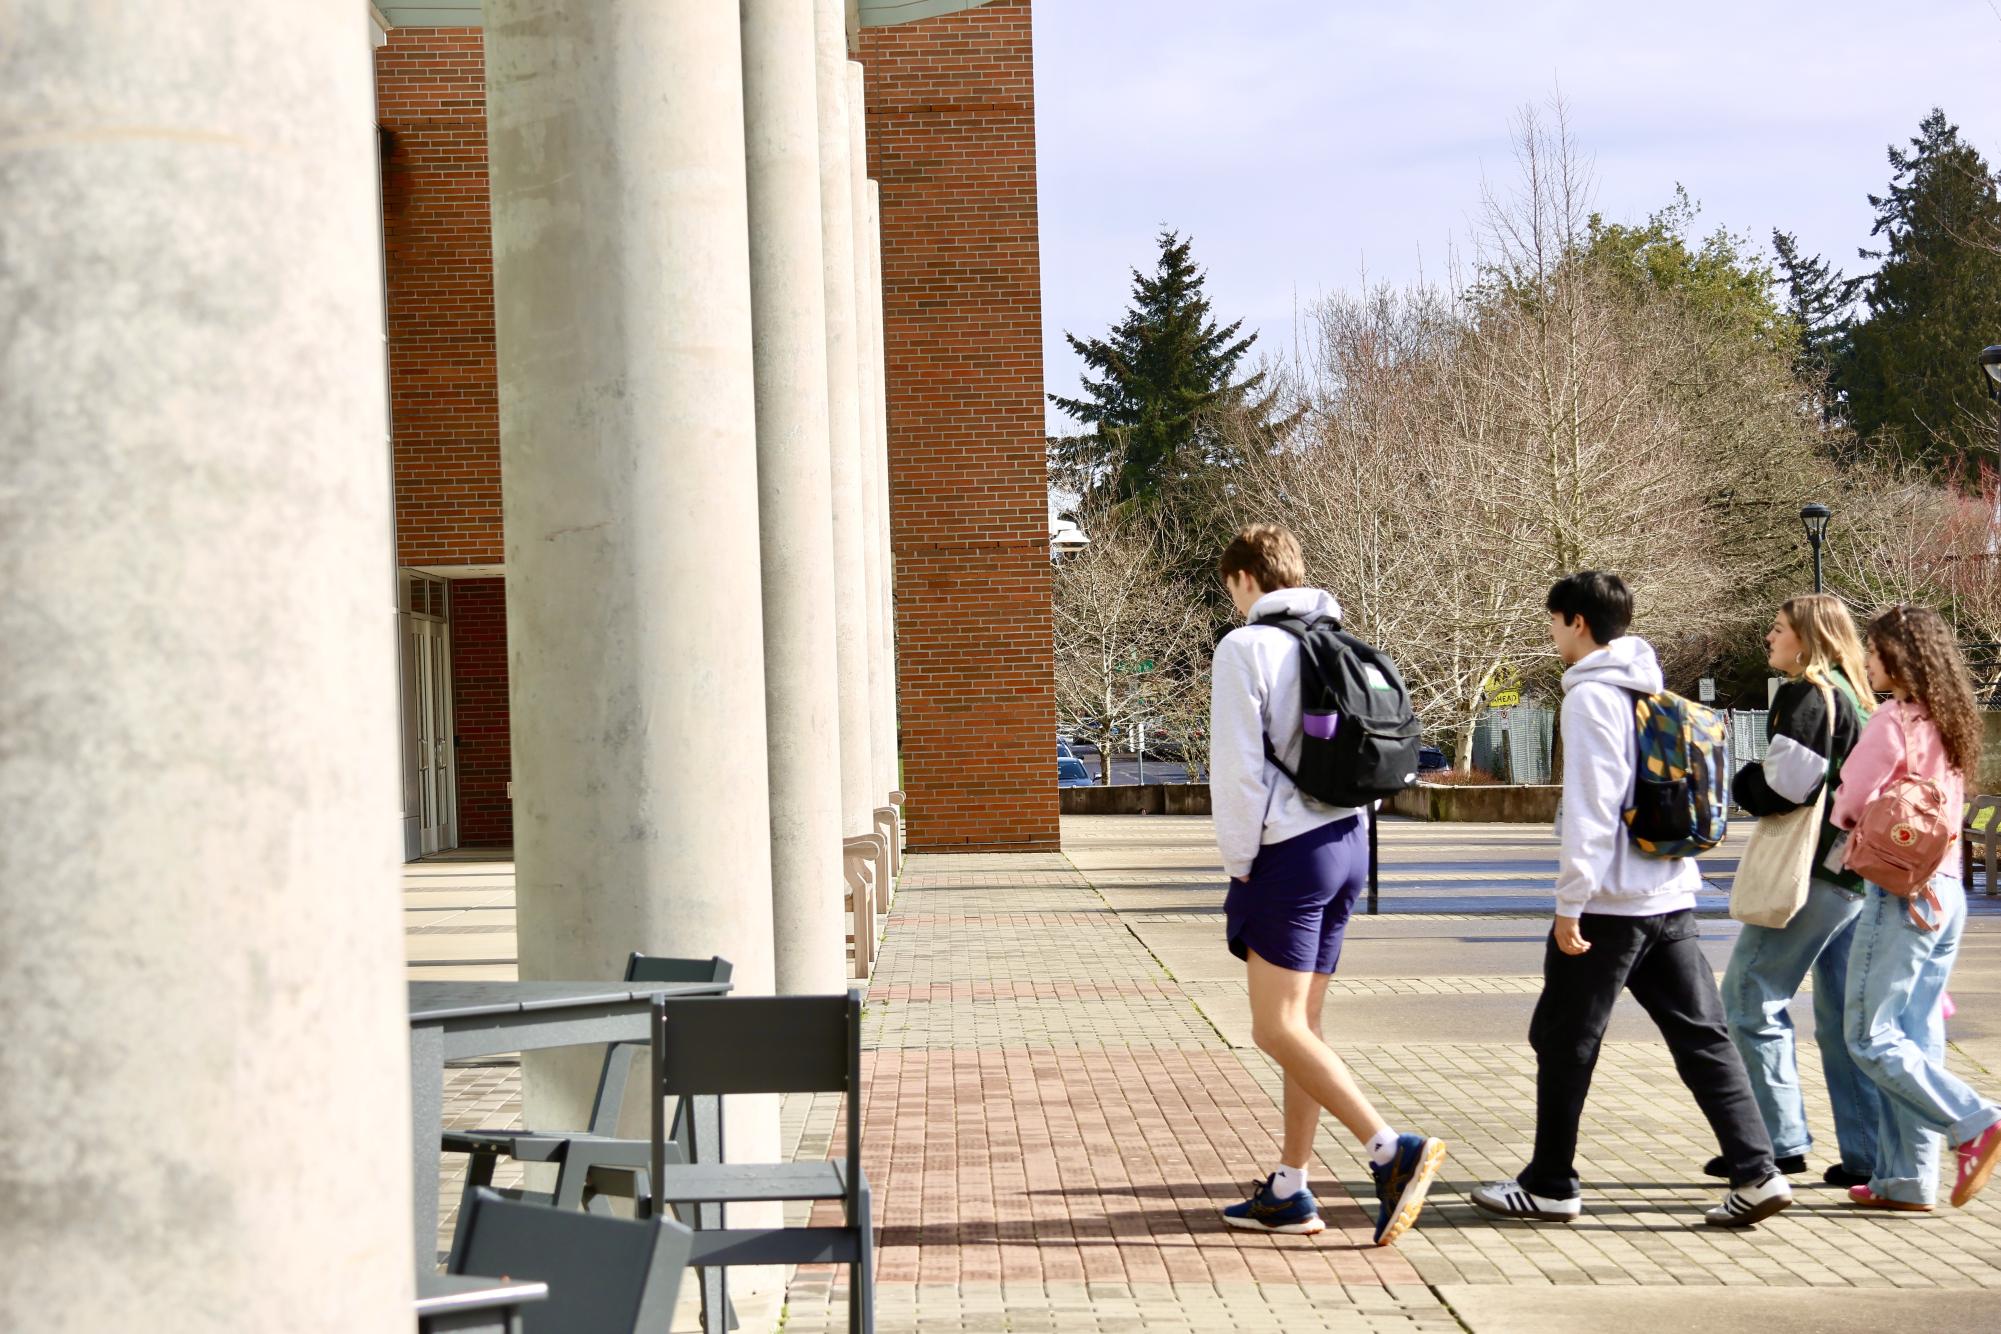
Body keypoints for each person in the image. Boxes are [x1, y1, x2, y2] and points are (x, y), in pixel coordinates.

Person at [1471, 571, 1792, 1228]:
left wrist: (1569, 903)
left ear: (1577, 622)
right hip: (1670, 893)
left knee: (1562, 1040)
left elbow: (1592, 807)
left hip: (1609, 904)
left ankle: (1550, 1183)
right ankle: (1756, 1172)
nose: (1552, 634)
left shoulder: (1589, 700)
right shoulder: (1650, 690)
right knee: (1701, 1037)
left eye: (1553, 621)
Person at [1209, 524, 1446, 1247]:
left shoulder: (1245, 646)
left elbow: (1239, 769)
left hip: (1286, 851)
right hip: (1349, 844)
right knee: (1302, 1030)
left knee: (1271, 1027)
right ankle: (1289, 1186)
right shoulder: (1341, 640)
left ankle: (1388, 1149)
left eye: (1230, 588)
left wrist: (1238, 860)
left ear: (1244, 578)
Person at [1832, 603, 2001, 1212]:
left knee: (1869, 1037)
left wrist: (1846, 821)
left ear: (1899, 657)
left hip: (1900, 895)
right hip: (1947, 893)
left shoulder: (1892, 721)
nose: (1869, 661)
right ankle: (1907, 1177)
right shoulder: (1952, 722)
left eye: (1875, 651)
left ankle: (1976, 1120)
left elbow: (1851, 798)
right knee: (1916, 1032)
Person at [1717, 595, 1881, 1188]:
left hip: (1809, 875)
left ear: (1807, 639)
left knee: (1748, 998)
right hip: (1855, 876)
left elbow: (1786, 785)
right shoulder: (1857, 697)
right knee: (1842, 1022)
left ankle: (1774, 1142)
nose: (1769, 635)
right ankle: (1865, 1156)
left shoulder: (1808, 694)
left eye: (1778, 628)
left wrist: (1740, 780)